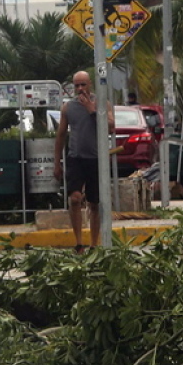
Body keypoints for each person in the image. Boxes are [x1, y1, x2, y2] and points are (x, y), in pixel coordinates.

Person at [54, 70, 115, 250]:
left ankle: (94, 244)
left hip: (96, 160)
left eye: (83, 84)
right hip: (75, 158)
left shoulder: (103, 103)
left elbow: (111, 127)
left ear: (90, 84)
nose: (80, 89)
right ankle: (79, 242)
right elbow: (61, 136)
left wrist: (92, 110)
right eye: (77, 85)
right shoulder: (68, 107)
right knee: (75, 199)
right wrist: (57, 163)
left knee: (94, 203)